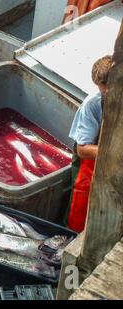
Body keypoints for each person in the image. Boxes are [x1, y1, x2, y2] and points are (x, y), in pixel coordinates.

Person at [67, 55, 113, 232]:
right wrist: (115, 153)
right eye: (102, 90)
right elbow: (83, 149)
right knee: (78, 210)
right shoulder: (93, 104)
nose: (105, 93)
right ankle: (70, 235)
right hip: (89, 161)